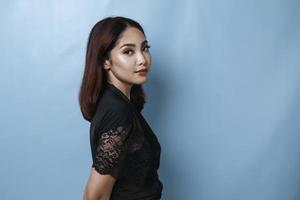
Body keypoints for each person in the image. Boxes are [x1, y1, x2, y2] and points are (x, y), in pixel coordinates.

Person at [79, 16, 163, 200]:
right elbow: (95, 196)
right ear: (105, 61)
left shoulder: (121, 104)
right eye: (128, 52)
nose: (142, 59)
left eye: (145, 49)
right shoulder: (117, 111)